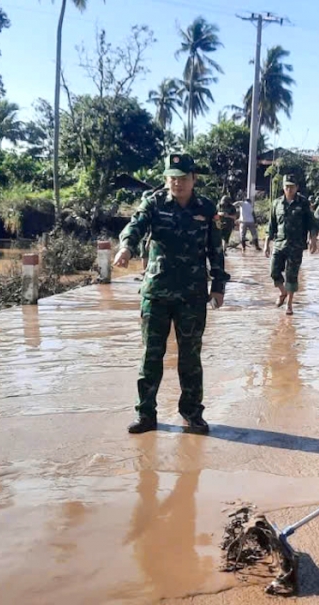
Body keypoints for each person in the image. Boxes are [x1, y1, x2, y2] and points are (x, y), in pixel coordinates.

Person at [114, 153, 229, 436]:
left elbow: (215, 249)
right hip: (156, 293)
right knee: (151, 356)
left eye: (183, 178)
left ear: (193, 179)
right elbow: (136, 225)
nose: (177, 183)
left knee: (190, 358)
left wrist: (218, 286)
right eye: (172, 178)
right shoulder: (153, 203)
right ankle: (146, 414)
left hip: (192, 295)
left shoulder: (206, 208)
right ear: (166, 179)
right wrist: (126, 248)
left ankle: (192, 413)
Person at [265, 175, 319, 315]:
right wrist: (266, 244)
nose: (289, 189)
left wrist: (313, 240)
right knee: (274, 272)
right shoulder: (276, 203)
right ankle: (283, 292)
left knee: (291, 275)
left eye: (292, 187)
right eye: (287, 186)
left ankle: (289, 304)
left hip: (296, 245)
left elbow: (311, 222)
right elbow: (271, 225)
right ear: (283, 187)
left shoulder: (303, 203)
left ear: (297, 188)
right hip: (279, 243)